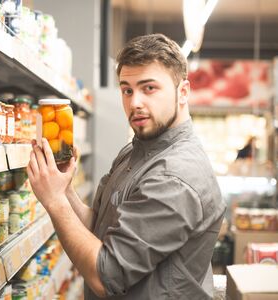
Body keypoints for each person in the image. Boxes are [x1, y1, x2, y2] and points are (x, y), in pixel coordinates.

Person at [27, 33, 226, 299]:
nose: (135, 103)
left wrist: (54, 202)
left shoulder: (174, 176)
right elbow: (98, 229)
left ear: (183, 92)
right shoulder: (137, 149)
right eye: (127, 90)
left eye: (149, 88)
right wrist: (64, 192)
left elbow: (105, 275)